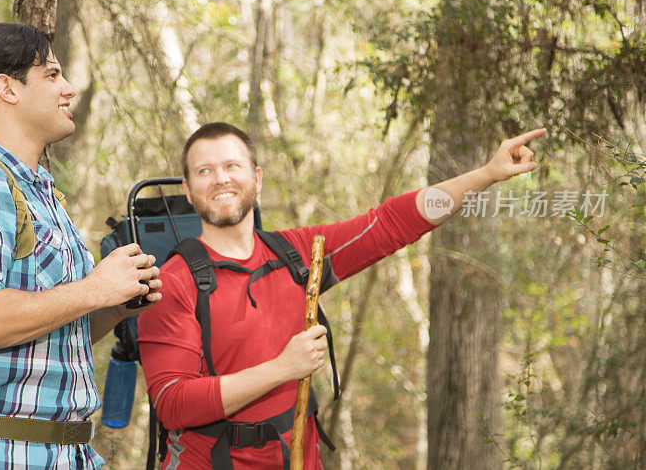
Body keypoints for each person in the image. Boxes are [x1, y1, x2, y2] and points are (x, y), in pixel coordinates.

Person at [136, 122, 546, 469]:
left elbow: (390, 224)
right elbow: (173, 402)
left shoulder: (296, 254)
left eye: (231, 165)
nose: (221, 178)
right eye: (205, 171)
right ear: (188, 191)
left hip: (300, 455)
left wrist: (487, 175)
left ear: (256, 179)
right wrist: (283, 368)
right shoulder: (174, 281)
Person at [0, 23, 162, 468]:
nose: (69, 88)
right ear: (7, 88)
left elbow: (55, 333)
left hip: (62, 453)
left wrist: (116, 305)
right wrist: (94, 289)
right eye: (52, 74)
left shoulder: (36, 191)